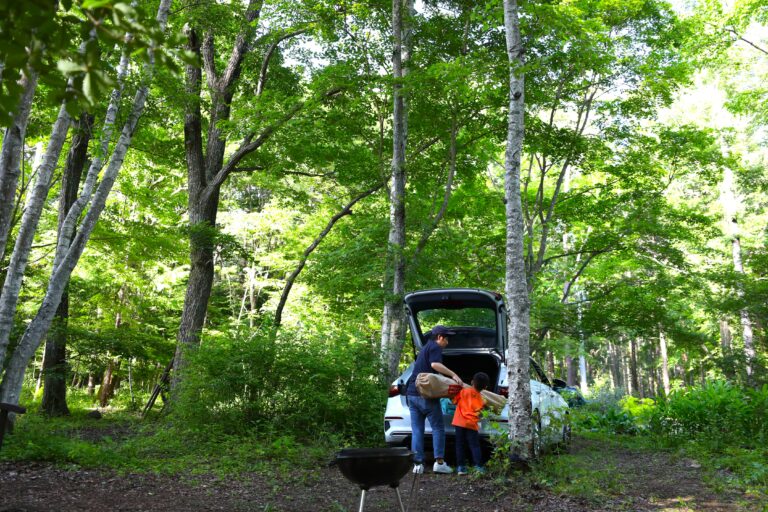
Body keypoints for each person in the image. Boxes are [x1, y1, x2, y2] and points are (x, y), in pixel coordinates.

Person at [406, 325, 463, 474]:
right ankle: (439, 463)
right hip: (424, 395)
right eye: (447, 339)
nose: (447, 342)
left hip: (411, 393)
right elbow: (435, 365)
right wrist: (453, 375)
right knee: (438, 428)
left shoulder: (424, 349)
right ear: (440, 337)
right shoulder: (435, 347)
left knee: (417, 429)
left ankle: (418, 465)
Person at [452, 371, 490, 475]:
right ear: (485, 387)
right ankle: (478, 466)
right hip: (471, 423)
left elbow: (454, 401)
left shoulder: (463, 391)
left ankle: (461, 467)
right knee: (474, 445)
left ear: (472, 382)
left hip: (459, 422)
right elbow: (483, 412)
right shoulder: (482, 399)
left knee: (460, 444)